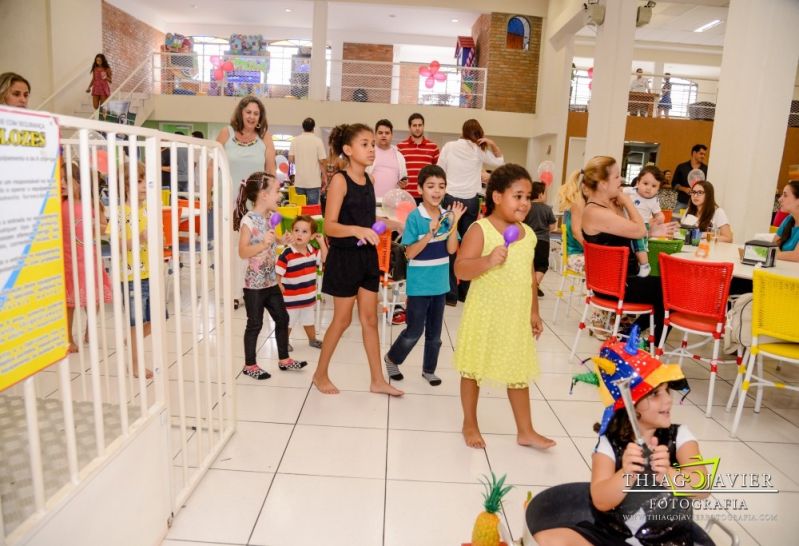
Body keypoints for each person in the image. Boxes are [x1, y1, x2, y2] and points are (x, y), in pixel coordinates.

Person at [532, 342, 706, 545]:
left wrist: (668, 473)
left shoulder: (680, 436)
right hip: (613, 538)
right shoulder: (609, 444)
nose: (667, 400)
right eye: (655, 394)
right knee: (546, 539)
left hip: (668, 541)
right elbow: (601, 500)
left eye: (667, 391)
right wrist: (626, 474)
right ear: (631, 404)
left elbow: (702, 488)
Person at [453, 164, 556, 450]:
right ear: (497, 197)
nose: (524, 203)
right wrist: (487, 261)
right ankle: (469, 423)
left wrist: (534, 311)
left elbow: (530, 278)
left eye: (528, 197)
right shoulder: (480, 229)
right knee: (473, 369)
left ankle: (526, 430)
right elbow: (461, 268)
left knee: (518, 371)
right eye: (518, 196)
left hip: (516, 314)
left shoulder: (529, 235)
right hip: (485, 313)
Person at [312, 123, 403, 397]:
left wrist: (387, 223)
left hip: (366, 257)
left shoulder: (370, 182)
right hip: (344, 258)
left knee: (370, 320)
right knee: (341, 321)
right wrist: (358, 230)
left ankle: (377, 380)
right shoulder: (340, 180)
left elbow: (365, 219)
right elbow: (329, 226)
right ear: (348, 150)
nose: (372, 149)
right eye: (365, 144)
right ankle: (320, 374)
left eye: (373, 144)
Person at [383, 165, 465, 387]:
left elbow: (451, 250)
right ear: (420, 189)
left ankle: (429, 370)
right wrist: (430, 233)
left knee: (435, 335)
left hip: (440, 285)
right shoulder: (415, 218)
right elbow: (409, 253)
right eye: (431, 186)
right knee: (413, 331)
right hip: (419, 286)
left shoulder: (447, 216)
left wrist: (454, 221)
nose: (437, 191)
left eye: (441, 186)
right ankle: (392, 358)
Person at [580, 156, 666, 342]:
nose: (622, 181)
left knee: (668, 289)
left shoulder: (607, 207)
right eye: (617, 177)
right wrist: (626, 201)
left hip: (621, 280)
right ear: (603, 184)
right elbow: (639, 230)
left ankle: (633, 336)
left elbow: (632, 234)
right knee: (670, 292)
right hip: (614, 285)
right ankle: (645, 345)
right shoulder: (596, 212)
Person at [234, 172, 307, 380]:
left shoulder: (268, 218)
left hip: (270, 281)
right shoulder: (249, 220)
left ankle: (284, 359)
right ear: (264, 195)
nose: (280, 195)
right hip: (254, 285)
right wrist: (263, 244)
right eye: (276, 191)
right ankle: (250, 365)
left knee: (282, 318)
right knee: (255, 324)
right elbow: (242, 252)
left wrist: (283, 240)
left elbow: (272, 244)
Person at [216, 96, 277, 309]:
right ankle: (231, 293)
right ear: (241, 113)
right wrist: (207, 193)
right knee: (229, 248)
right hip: (228, 202)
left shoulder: (265, 138)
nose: (251, 116)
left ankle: (249, 289)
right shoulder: (227, 133)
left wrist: (271, 200)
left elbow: (271, 170)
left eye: (256, 113)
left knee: (251, 248)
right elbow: (211, 164)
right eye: (248, 112)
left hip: (255, 205)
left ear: (260, 118)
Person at [438, 118, 504, 306]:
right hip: (470, 201)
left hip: (451, 200)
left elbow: (440, 171)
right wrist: (491, 143)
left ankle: (450, 294)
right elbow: (500, 161)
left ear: (462, 130)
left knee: (448, 246)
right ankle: (464, 292)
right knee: (469, 247)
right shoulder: (479, 150)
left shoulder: (449, 147)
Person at [61, 157, 112, 353]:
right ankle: (68, 337)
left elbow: (103, 227)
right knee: (69, 300)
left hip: (89, 257)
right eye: (60, 180)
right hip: (67, 259)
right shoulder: (60, 204)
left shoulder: (91, 203)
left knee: (93, 296)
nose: (62, 184)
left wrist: (94, 225)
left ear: (78, 182)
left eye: (66, 180)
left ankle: (90, 329)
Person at [276, 215, 328, 350]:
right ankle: (284, 342)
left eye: (304, 232)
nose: (299, 234)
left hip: (307, 297)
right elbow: (278, 272)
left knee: (309, 321)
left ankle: (312, 339)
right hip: (290, 298)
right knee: (288, 322)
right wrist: (279, 284)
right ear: (292, 232)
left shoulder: (312, 251)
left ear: (312, 236)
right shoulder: (287, 253)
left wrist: (322, 243)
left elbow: (324, 258)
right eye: (296, 230)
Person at [623, 165, 667, 277]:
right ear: (638, 182)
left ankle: (645, 265)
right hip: (626, 223)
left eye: (654, 186)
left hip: (642, 225)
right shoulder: (630, 191)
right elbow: (618, 192)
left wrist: (660, 217)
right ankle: (639, 263)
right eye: (645, 183)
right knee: (633, 248)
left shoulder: (654, 200)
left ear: (658, 189)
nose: (648, 188)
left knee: (640, 245)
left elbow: (658, 213)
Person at [396, 113, 440, 202]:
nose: (417, 128)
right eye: (414, 125)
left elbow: (437, 174)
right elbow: (396, 172)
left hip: (426, 196)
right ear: (409, 127)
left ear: (423, 126)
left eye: (420, 125)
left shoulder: (433, 147)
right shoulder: (400, 147)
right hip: (405, 196)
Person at [524, 181, 557, 297]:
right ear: (540, 195)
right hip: (543, 241)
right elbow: (553, 226)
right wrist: (545, 229)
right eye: (546, 193)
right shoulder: (547, 209)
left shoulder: (526, 206)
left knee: (528, 264)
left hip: (527, 241)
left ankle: (529, 285)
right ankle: (535, 285)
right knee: (542, 265)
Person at [289, 117, 326, 205]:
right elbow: (322, 161)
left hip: (299, 182)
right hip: (314, 182)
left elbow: (290, 159)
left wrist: (299, 160)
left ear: (303, 127)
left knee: (300, 209)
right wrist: (325, 176)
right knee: (312, 211)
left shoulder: (295, 140)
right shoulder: (318, 141)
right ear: (313, 128)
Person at [366, 119, 407, 199]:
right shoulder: (368, 152)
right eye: (380, 133)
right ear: (375, 135)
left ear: (392, 135)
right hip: (371, 200)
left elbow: (404, 177)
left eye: (387, 133)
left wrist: (404, 183)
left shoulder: (399, 156)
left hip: (393, 202)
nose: (383, 135)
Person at [558, 172, 586, 272]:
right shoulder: (578, 204)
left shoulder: (578, 204)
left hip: (578, 253)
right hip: (575, 255)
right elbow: (576, 234)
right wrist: (594, 250)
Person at [672, 144, 708, 212]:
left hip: (699, 204)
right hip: (682, 202)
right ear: (694, 153)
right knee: (675, 220)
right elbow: (674, 184)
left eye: (704, 154)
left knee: (696, 222)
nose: (703, 156)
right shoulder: (681, 167)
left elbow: (707, 186)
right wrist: (684, 189)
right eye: (701, 154)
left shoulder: (706, 169)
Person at [776, 181, 799, 261]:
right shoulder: (788, 219)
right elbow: (773, 245)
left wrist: (773, 254)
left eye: (785, 195)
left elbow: (796, 256)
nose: (779, 199)